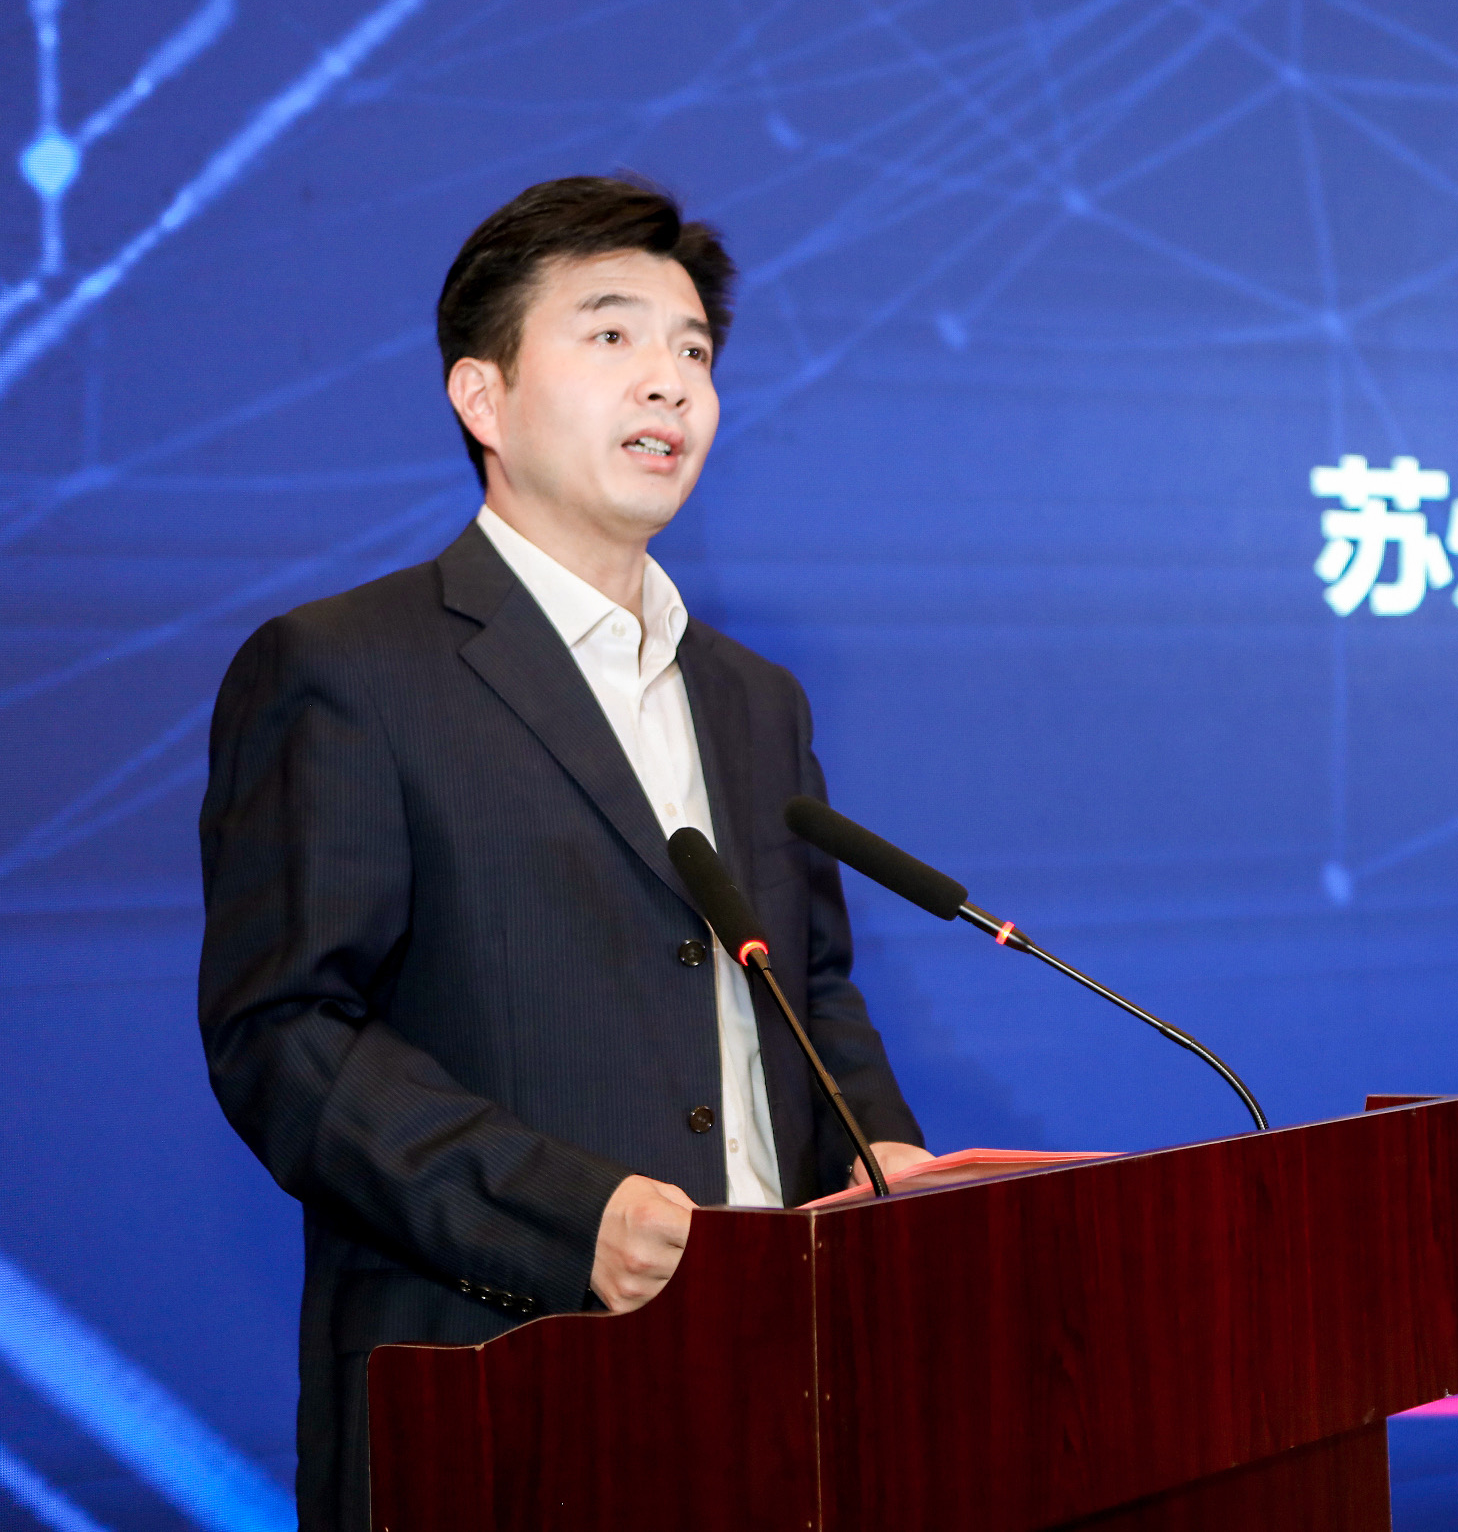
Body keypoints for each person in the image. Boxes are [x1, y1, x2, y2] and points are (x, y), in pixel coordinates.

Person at [196, 175, 933, 1532]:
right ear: (482, 398)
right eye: (611, 335)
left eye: (693, 350)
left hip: (785, 1387)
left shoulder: (754, 700)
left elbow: (808, 987)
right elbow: (286, 1035)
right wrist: (566, 1213)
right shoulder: (347, 670)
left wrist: (882, 1164)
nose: (669, 380)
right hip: (497, 1387)